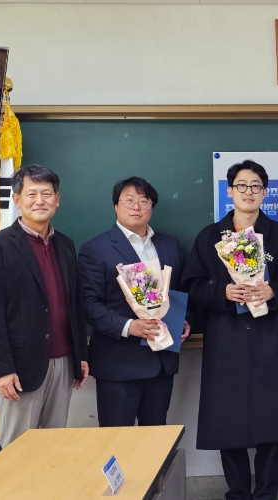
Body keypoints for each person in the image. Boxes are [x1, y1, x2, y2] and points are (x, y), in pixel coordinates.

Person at [180, 160, 278, 500]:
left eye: (256, 186)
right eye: (242, 185)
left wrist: (274, 290)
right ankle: (238, 494)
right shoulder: (209, 236)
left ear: (265, 192)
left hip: (272, 340)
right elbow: (191, 285)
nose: (248, 192)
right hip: (226, 341)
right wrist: (222, 292)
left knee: (273, 423)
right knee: (228, 425)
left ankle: (267, 494)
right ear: (229, 191)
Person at [0, 164, 88, 448]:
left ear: (57, 199)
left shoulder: (66, 245)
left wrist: (81, 355)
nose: (40, 201)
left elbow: (75, 304)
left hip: (64, 362)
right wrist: (1, 370)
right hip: (21, 367)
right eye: (32, 194)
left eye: (47, 194)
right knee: (17, 450)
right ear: (17, 199)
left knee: (53, 447)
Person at [78, 177, 189, 427]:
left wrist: (185, 320)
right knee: (117, 441)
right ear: (116, 206)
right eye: (129, 200)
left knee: (156, 440)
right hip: (119, 365)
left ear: (152, 207)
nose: (136, 207)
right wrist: (130, 327)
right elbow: (88, 304)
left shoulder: (170, 246)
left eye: (143, 201)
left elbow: (181, 291)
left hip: (162, 362)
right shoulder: (95, 249)